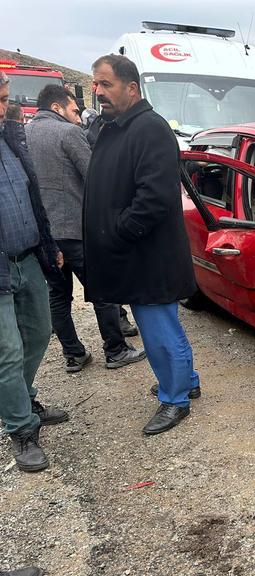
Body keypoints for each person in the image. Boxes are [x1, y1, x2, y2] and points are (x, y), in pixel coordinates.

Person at [84, 55, 199, 436]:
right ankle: (188, 380)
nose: (98, 91)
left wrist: (120, 230)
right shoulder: (116, 125)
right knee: (161, 326)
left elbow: (154, 198)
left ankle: (176, 397)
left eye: (106, 84)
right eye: (95, 84)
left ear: (131, 88)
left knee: (159, 331)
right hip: (135, 253)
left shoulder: (149, 128)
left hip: (151, 255)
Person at [27, 84, 146, 373]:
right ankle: (115, 350)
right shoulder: (68, 133)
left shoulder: (25, 132)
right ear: (57, 108)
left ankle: (74, 354)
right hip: (76, 231)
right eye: (74, 111)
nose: (79, 118)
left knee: (58, 295)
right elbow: (96, 175)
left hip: (44, 235)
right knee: (102, 290)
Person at [0, 71, 68, 472]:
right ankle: (21, 428)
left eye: (5, 95)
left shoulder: (11, 138)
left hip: (28, 258)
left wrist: (49, 245)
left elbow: (33, 199)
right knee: (6, 351)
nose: (4, 105)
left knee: (41, 332)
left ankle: (20, 398)